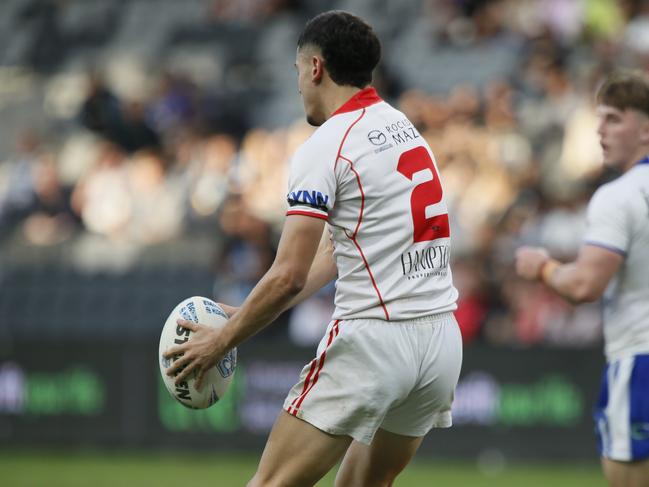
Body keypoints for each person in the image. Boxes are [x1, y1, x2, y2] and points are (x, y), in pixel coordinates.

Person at [164, 11, 462, 487]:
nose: (299, 83)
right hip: (440, 344)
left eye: (298, 71)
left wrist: (222, 340)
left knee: (270, 483)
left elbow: (288, 275)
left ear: (316, 68)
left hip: (375, 340)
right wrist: (247, 310)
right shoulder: (402, 126)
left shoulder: (326, 145)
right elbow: (340, 250)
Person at [515, 70, 649, 487]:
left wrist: (541, 266)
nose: (600, 130)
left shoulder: (620, 195)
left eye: (613, 119)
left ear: (645, 129)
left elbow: (583, 285)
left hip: (640, 360)